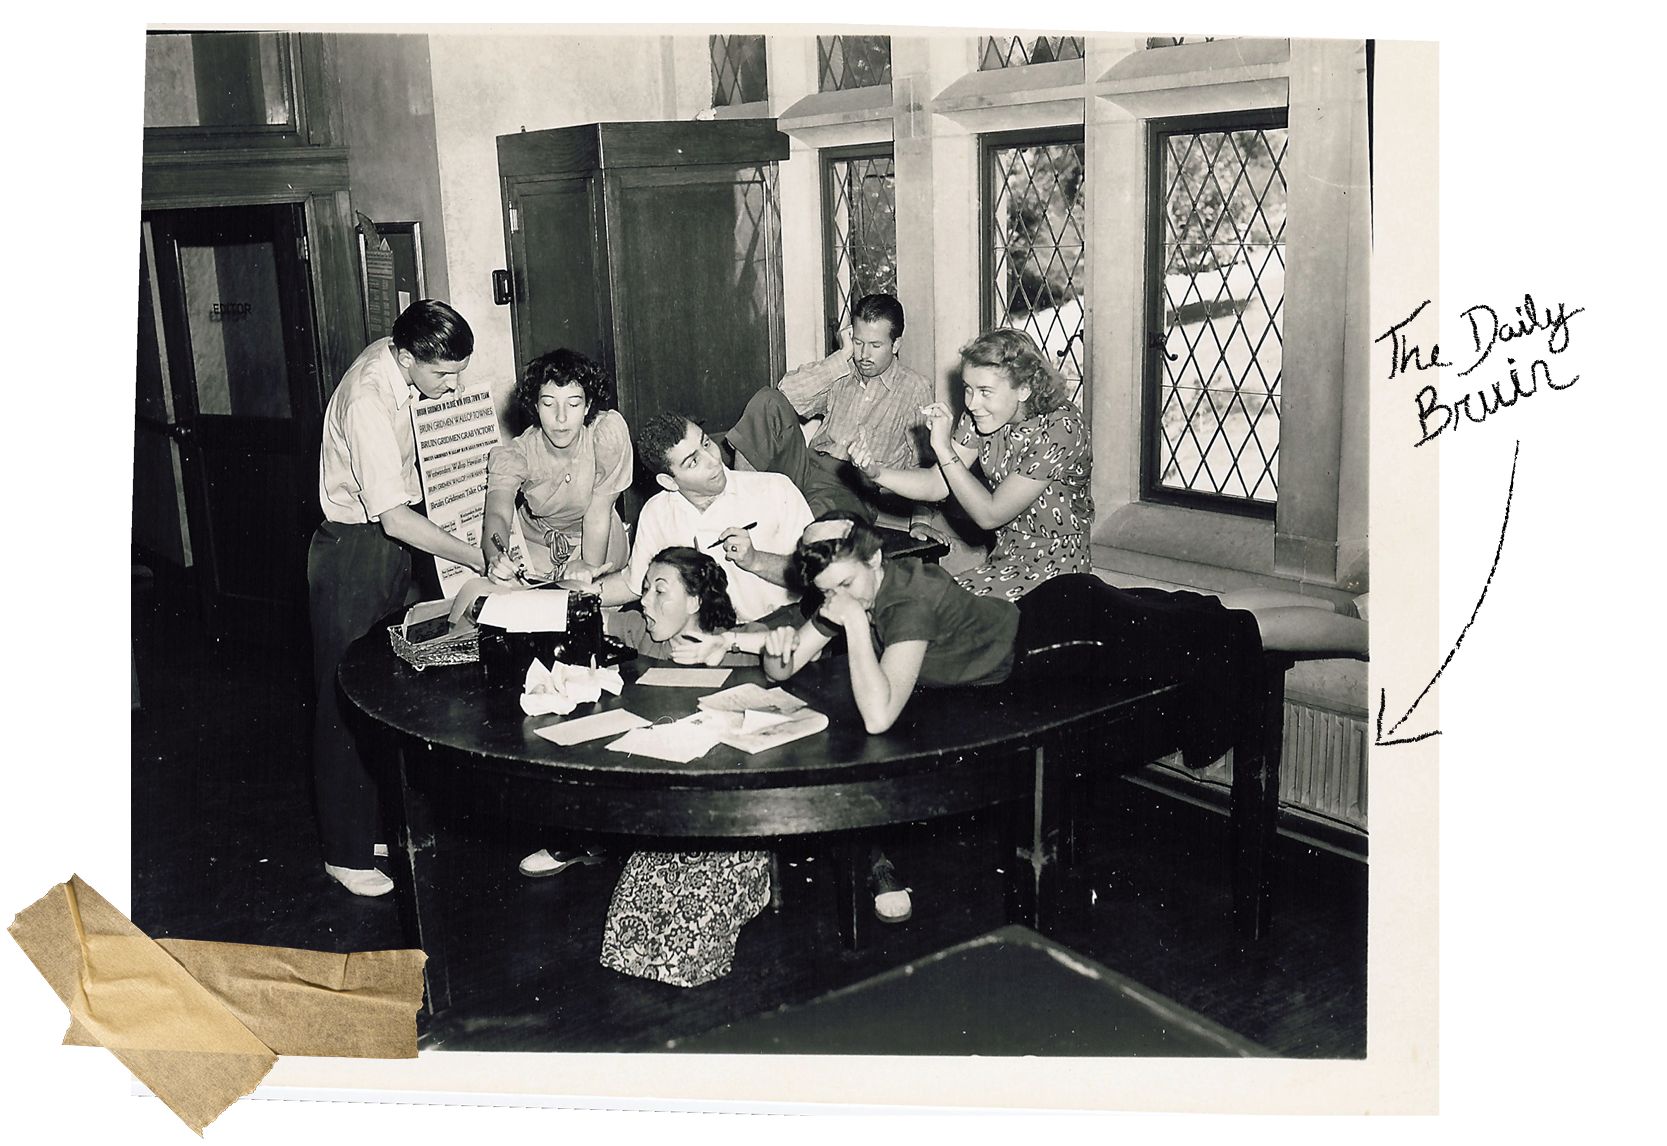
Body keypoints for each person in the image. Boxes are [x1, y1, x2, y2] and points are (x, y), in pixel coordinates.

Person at [763, 512, 1368, 922]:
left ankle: (1372, 640)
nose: (841, 599)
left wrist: (847, 627)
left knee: (1238, 635)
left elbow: (877, 714)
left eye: (846, 584)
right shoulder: (868, 585)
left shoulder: (905, 602)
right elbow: (796, 657)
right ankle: (1339, 606)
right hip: (1056, 612)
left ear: (874, 559)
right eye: (828, 590)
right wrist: (778, 650)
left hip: (1072, 640)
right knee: (1203, 613)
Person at [309, 300, 501, 897]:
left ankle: (364, 827)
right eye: (444, 374)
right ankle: (343, 853)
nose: (453, 386)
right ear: (405, 355)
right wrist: (476, 556)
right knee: (343, 696)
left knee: (382, 691)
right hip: (354, 550)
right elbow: (393, 518)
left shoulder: (404, 369)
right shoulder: (369, 395)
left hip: (386, 544)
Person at [597, 547, 771, 987]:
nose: (645, 603)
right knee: (622, 945)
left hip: (733, 820)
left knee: (688, 953)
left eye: (661, 591)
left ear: (695, 601)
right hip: (669, 816)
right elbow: (576, 612)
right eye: (644, 591)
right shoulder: (642, 633)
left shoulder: (746, 646)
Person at [851, 328, 1092, 601]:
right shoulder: (984, 415)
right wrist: (876, 472)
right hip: (1005, 560)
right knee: (913, 601)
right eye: (968, 389)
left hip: (1058, 572)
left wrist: (942, 448)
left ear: (1024, 389)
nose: (972, 403)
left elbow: (990, 514)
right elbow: (936, 484)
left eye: (985, 391)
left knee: (930, 606)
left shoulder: (1062, 428)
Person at [572, 412, 814, 639]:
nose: (713, 461)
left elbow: (818, 577)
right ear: (669, 481)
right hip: (704, 642)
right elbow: (633, 583)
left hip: (778, 633)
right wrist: (571, 592)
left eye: (706, 443)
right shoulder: (658, 512)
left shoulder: (775, 490)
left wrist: (755, 560)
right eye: (693, 462)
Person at [723, 293, 933, 521]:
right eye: (858, 342)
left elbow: (924, 464)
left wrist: (921, 521)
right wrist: (842, 355)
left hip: (853, 488)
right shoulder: (843, 369)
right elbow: (787, 393)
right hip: (806, 465)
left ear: (896, 345)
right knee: (768, 401)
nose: (863, 355)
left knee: (807, 528)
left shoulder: (914, 388)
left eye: (875, 345)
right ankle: (739, 509)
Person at [482, 348, 632, 584]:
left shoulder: (606, 435)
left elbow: (597, 515)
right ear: (535, 406)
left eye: (573, 404)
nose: (561, 418)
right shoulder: (516, 454)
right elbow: (497, 514)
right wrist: (496, 557)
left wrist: (587, 570)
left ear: (587, 406)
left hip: (598, 537)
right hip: (539, 542)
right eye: (549, 404)